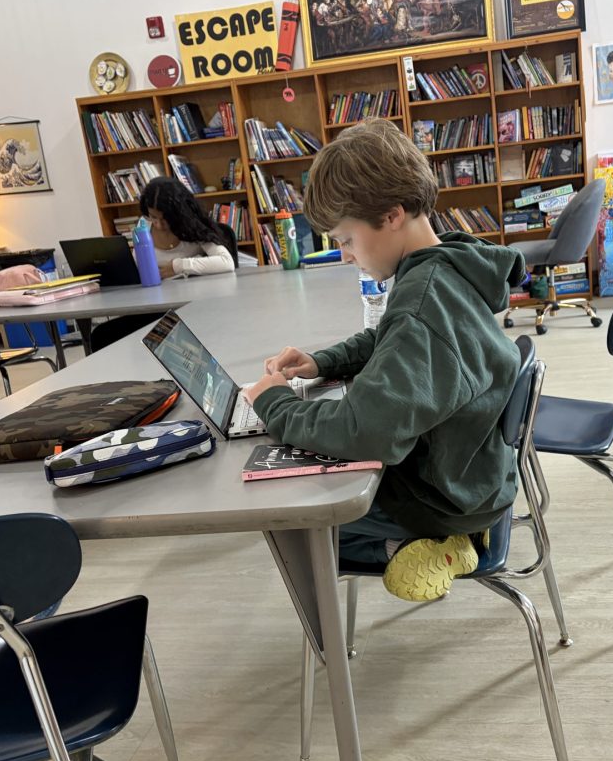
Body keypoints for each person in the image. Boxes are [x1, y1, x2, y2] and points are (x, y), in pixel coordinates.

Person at [241, 118, 526, 602]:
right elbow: (388, 338)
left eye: (346, 240)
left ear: (392, 215)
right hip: (472, 472)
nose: (345, 256)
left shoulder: (423, 301)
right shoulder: (446, 265)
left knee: (289, 523)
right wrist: (321, 362)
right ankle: (433, 541)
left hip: (443, 499)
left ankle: (425, 546)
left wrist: (273, 403)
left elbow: (364, 431)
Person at [89, 176, 238, 352]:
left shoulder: (192, 226)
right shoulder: (144, 226)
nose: (159, 224)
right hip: (154, 307)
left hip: (190, 307)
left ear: (178, 213)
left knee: (156, 341)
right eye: (153, 217)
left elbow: (226, 262)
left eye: (165, 218)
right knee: (101, 335)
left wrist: (177, 266)